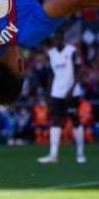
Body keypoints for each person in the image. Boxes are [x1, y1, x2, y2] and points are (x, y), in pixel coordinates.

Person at [38, 33, 87, 164]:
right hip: (57, 92)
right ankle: (53, 155)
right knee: (55, 120)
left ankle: (80, 153)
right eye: (54, 38)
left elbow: (78, 72)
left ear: (62, 38)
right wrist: (48, 93)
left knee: (75, 120)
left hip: (72, 93)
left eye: (58, 37)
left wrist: (71, 89)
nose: (56, 40)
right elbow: (51, 75)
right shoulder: (51, 53)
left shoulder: (72, 51)